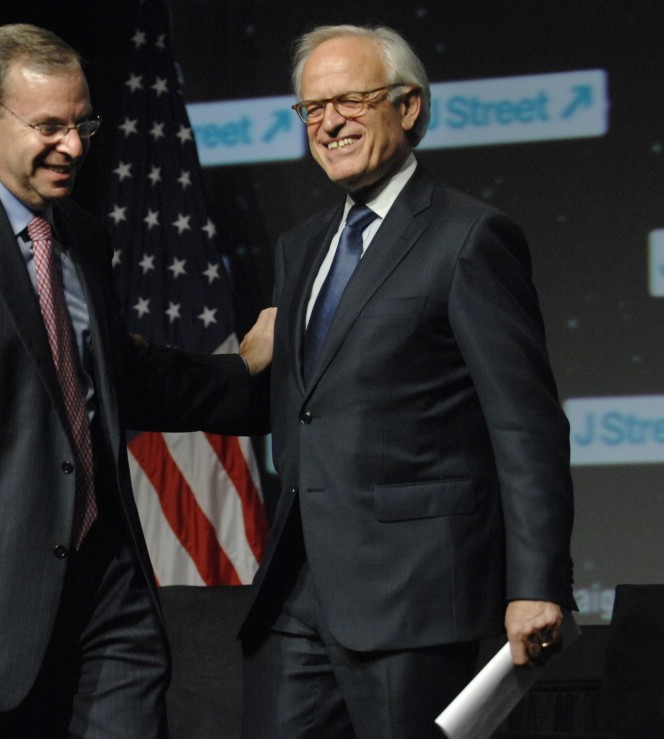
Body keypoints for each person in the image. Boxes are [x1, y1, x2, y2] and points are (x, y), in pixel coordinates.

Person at [0, 23, 273, 737]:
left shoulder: (85, 236)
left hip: (105, 593)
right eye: (49, 126)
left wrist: (245, 368)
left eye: (81, 124)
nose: (72, 146)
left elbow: (114, 373)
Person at [239, 24, 575, 738]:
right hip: (298, 593)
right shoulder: (300, 249)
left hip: (413, 599)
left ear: (409, 106)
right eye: (311, 109)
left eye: (350, 101)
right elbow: (302, 406)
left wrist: (538, 583)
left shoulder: (469, 237)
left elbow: (525, 424)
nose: (328, 123)